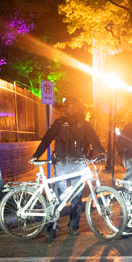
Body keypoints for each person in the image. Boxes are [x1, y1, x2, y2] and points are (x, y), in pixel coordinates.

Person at [31, 96, 104, 241]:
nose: (72, 109)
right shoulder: (59, 124)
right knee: (58, 197)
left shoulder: (84, 124)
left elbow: (93, 139)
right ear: (66, 109)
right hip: (62, 164)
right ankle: (51, 228)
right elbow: (47, 138)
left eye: (75, 106)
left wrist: (101, 151)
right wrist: (36, 155)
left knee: (77, 197)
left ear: (79, 109)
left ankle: (73, 226)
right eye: (69, 106)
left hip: (78, 164)